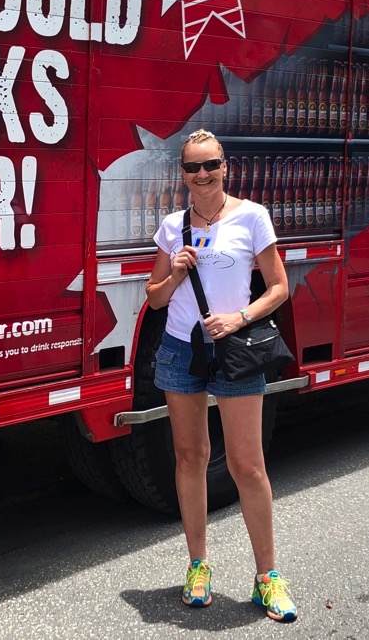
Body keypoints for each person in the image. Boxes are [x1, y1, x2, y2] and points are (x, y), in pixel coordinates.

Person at [145, 129, 296, 622]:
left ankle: (267, 577)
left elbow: (278, 288)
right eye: (192, 168)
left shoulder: (252, 217)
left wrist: (238, 318)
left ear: (226, 166)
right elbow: (155, 297)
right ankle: (197, 566)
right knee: (190, 457)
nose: (203, 175)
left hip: (233, 351)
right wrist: (176, 274)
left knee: (247, 466)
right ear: (183, 174)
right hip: (178, 352)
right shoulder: (172, 226)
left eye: (211, 165)